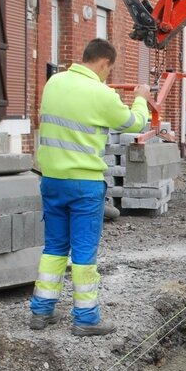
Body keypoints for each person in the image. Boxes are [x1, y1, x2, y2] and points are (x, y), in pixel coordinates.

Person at [29, 38, 150, 336]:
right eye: (110, 69)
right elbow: (136, 124)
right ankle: (85, 318)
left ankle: (41, 311)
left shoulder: (54, 83)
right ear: (105, 63)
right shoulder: (101, 93)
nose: (108, 75)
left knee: (54, 247)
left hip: (52, 180)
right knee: (84, 252)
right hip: (84, 184)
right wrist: (141, 98)